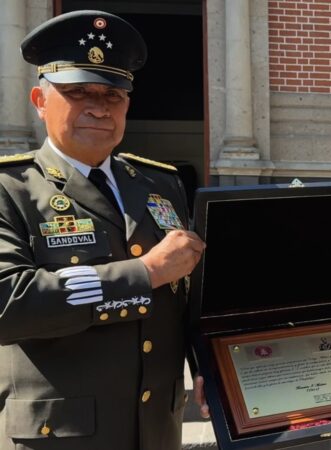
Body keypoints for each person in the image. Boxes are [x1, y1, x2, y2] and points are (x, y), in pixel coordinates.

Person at [0, 10, 205, 450]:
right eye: (78, 92)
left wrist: (212, 365)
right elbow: (7, 302)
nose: (99, 106)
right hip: (59, 437)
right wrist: (143, 273)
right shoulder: (9, 189)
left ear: (128, 104)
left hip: (156, 431)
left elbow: (188, 297)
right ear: (40, 100)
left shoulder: (161, 183)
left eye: (113, 95)